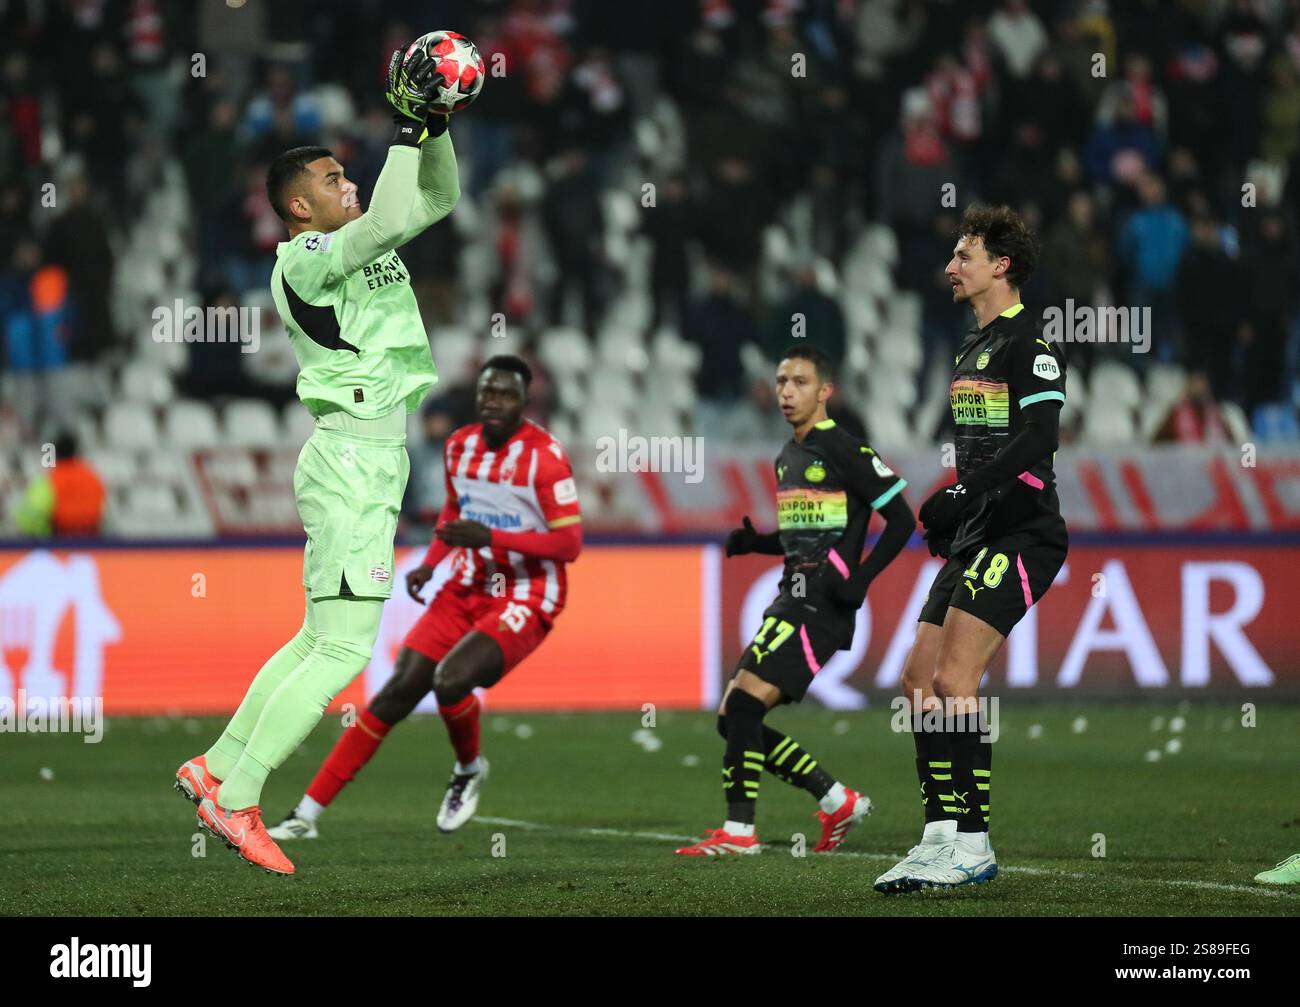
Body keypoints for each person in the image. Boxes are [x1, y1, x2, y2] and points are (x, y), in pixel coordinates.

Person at [173, 43, 461, 876]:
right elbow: (379, 222)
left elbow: (434, 196)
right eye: (336, 179)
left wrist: (432, 125)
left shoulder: (354, 243)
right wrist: (406, 124)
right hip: (353, 462)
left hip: (363, 457)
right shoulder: (303, 258)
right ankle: (237, 798)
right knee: (341, 652)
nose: (353, 186)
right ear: (299, 207)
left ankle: (216, 765)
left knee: (315, 640)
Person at [268, 356, 581, 839]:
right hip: (464, 587)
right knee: (396, 692)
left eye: (506, 395)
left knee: (450, 680)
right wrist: (433, 564)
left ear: (525, 401)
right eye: (487, 394)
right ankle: (305, 816)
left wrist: (492, 539)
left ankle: (468, 768)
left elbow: (569, 544)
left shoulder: (546, 456)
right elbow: (457, 511)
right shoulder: (460, 446)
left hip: (526, 593)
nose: (494, 402)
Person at [875, 205, 1068, 893]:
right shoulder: (968, 347)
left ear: (1001, 265)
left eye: (964, 255)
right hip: (978, 533)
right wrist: (958, 509)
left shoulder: (1030, 346)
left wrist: (969, 490)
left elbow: (1040, 437)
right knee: (918, 680)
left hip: (1025, 532)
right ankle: (938, 835)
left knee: (957, 681)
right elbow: (981, 446)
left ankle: (975, 842)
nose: (951, 267)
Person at [675, 345, 914, 856]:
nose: (786, 391)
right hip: (792, 597)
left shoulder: (845, 449)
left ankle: (739, 832)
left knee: (741, 706)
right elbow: (802, 534)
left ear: (824, 391)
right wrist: (756, 543)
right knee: (732, 718)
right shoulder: (788, 456)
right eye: (782, 381)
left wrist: (862, 580)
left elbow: (901, 519)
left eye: (799, 382)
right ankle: (834, 798)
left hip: (822, 604)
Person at [14, 432, 104, 537]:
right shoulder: (93, 478)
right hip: (91, 540)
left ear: (56, 453)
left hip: (59, 541)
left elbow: (32, 515)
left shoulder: (49, 480)